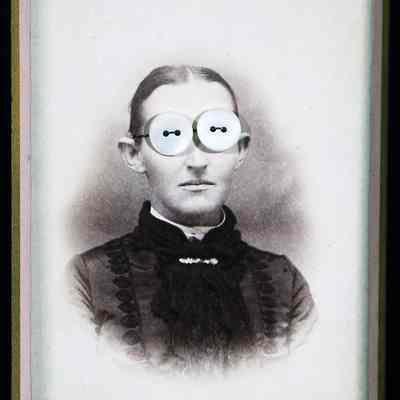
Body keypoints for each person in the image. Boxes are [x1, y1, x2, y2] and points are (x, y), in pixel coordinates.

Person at [67, 65, 317, 373]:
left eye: (217, 133)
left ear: (240, 148)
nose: (197, 161)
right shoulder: (86, 279)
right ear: (134, 154)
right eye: (170, 135)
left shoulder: (285, 282)